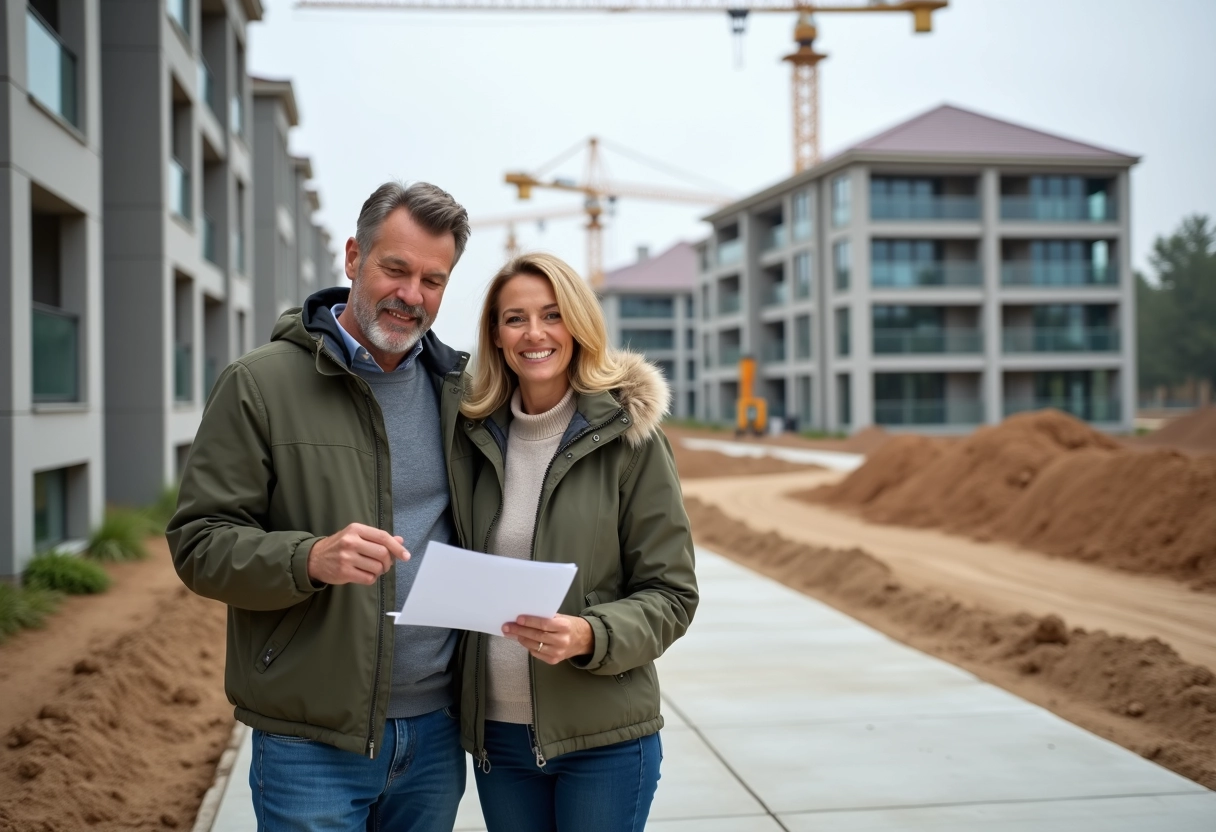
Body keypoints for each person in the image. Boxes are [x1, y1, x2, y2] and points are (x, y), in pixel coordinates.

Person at [168, 181, 473, 831]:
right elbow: (198, 543)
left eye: (433, 280)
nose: (411, 295)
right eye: (396, 268)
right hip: (310, 740)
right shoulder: (259, 384)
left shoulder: (462, 391)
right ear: (354, 255)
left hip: (438, 736)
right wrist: (310, 558)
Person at [452, 252, 699, 832]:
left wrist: (593, 634)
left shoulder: (628, 439)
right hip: (500, 744)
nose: (534, 333)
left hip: (603, 741)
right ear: (495, 334)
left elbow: (672, 593)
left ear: (579, 324)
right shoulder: (472, 439)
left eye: (552, 315)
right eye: (515, 318)